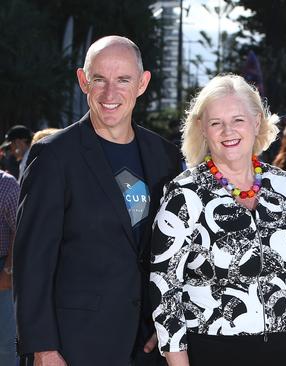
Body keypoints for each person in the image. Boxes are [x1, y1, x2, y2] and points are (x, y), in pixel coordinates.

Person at [13, 36, 183, 366]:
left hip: (150, 344)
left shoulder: (164, 156)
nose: (110, 94)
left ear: (142, 83)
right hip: (76, 345)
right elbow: (32, 260)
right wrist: (43, 348)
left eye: (123, 80)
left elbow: (176, 252)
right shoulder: (53, 156)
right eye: (99, 80)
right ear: (82, 81)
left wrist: (170, 320)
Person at [149, 74, 286, 366]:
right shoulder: (185, 193)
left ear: (257, 122)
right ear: (203, 129)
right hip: (212, 352)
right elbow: (165, 286)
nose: (228, 131)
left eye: (238, 120)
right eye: (216, 122)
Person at [0, 168, 19, 366]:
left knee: (5, 342)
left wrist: (8, 270)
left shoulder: (7, 184)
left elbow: (19, 229)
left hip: (3, 267)